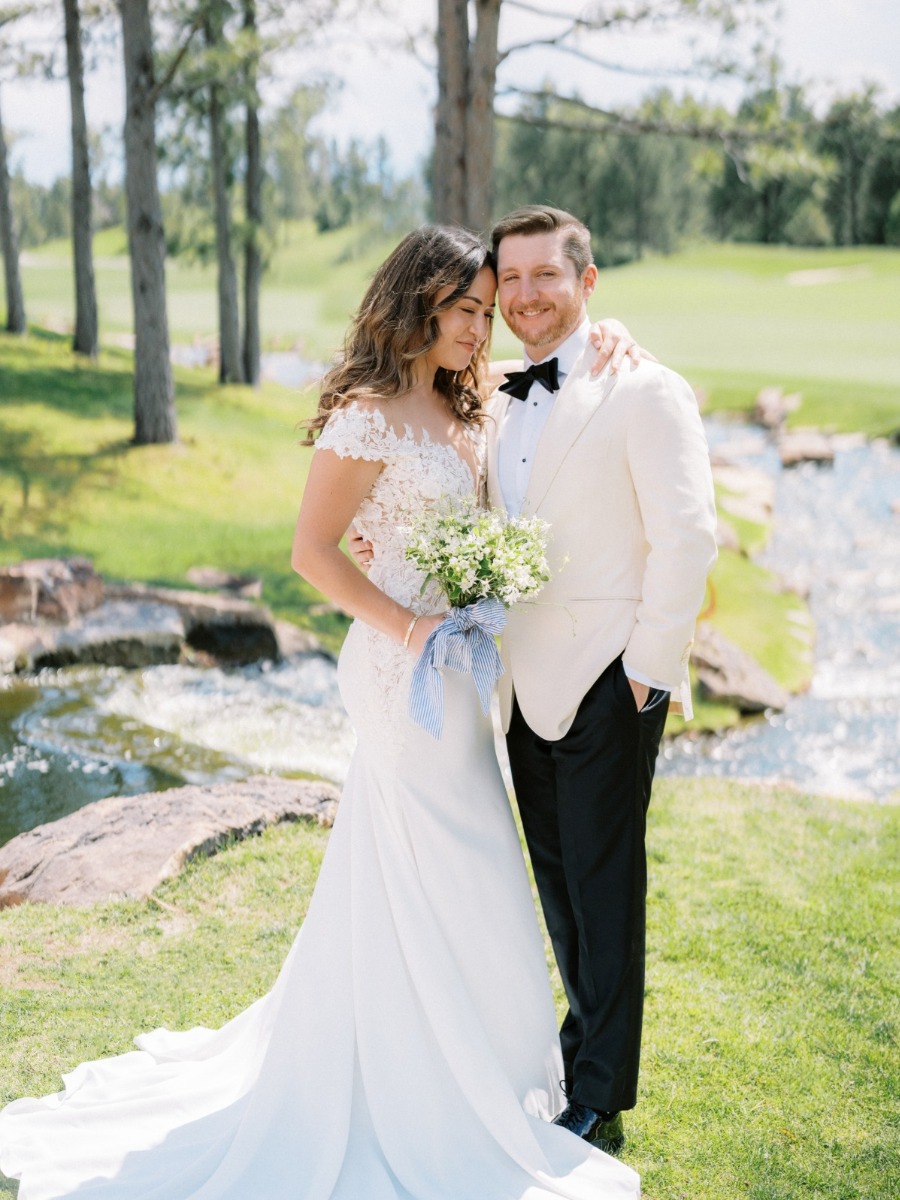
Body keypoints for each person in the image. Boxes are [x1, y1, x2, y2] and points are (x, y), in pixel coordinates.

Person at [0, 225, 644, 1199]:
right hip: (400, 672)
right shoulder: (366, 414)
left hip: (466, 673)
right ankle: (410, 1081)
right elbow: (314, 552)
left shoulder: (474, 398)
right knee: (436, 857)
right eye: (465, 308)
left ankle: (476, 1062)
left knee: (457, 863)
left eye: (485, 309)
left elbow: (567, 353)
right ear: (418, 302)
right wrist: (410, 630)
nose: (481, 324)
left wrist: (615, 335)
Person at [487, 206, 718, 1154]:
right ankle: (578, 1050)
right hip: (519, 684)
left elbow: (689, 534)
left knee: (604, 885)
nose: (527, 294)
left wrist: (647, 673)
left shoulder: (646, 389)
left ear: (588, 284)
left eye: (546, 275)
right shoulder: (496, 393)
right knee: (556, 883)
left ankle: (600, 1095)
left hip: (608, 683)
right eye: (511, 279)